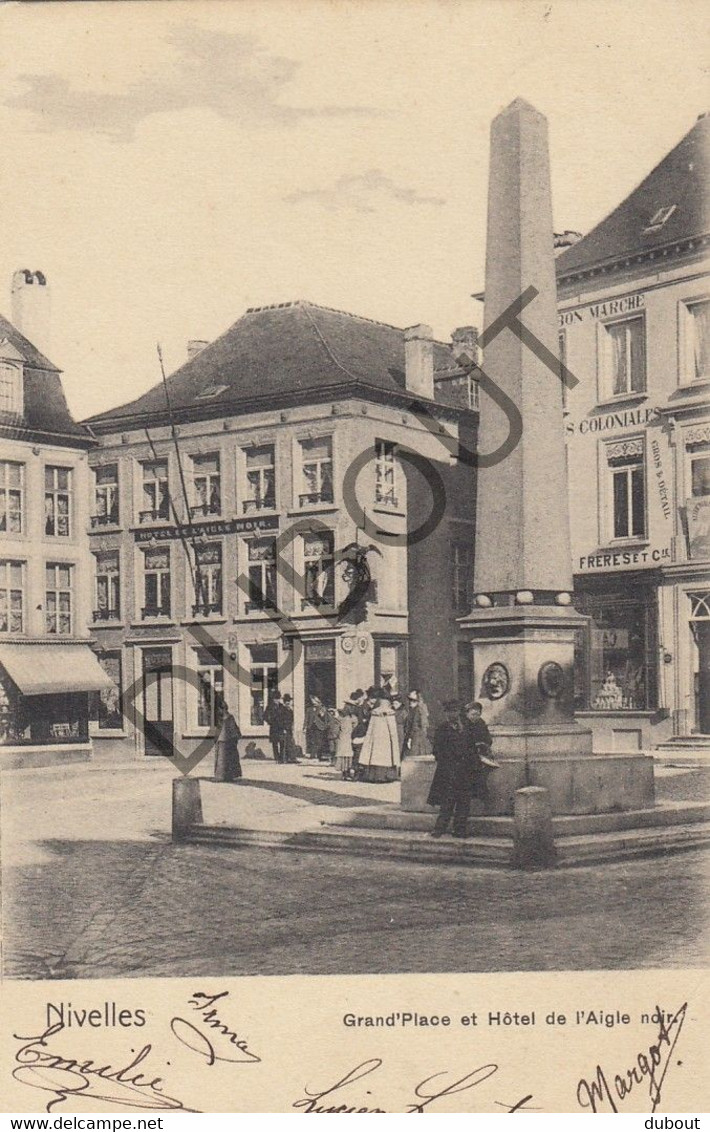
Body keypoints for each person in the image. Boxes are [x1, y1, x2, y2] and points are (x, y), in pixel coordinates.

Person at [427, 700, 477, 837]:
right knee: (447, 801)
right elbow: (436, 750)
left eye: (454, 711)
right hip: (448, 771)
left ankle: (460, 829)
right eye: (449, 712)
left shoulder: (467, 727)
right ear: (446, 713)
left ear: (459, 712)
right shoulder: (442, 729)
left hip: (464, 771)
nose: (452, 714)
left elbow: (472, 748)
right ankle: (439, 829)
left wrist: (471, 764)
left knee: (463, 802)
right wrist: (448, 760)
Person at [358, 689, 400, 783]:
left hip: (375, 739)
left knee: (375, 756)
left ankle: (373, 776)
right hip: (386, 741)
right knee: (385, 758)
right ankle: (386, 776)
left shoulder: (374, 713)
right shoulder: (390, 713)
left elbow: (370, 729)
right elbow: (393, 732)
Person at [214, 702, 242, 783]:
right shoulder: (220, 718)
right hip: (221, 741)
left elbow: (233, 729)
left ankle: (231, 776)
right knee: (221, 759)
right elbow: (218, 729)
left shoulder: (230, 718)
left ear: (224, 709)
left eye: (219, 709)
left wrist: (233, 740)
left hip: (229, 741)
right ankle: (221, 776)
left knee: (230, 759)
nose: (218, 711)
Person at [403, 689, 431, 758]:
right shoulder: (414, 710)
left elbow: (415, 725)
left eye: (413, 701)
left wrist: (410, 738)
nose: (410, 702)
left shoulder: (418, 710)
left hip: (416, 737)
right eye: (409, 700)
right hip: (418, 736)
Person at [334, 700, 357, 778]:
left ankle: (346, 773)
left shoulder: (344, 717)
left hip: (345, 738)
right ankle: (346, 773)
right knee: (346, 756)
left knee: (346, 755)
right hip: (346, 738)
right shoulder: (350, 717)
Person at [264, 690, 287, 763]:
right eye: (275, 699)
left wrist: (285, 727)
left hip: (281, 727)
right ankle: (276, 758)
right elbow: (265, 716)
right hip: (274, 727)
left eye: (278, 698)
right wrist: (270, 722)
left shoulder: (282, 707)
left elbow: (285, 718)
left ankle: (282, 758)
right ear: (273, 699)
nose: (276, 700)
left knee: (282, 743)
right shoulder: (269, 707)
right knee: (275, 743)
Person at [305, 694, 329, 760]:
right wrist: (305, 727)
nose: (314, 702)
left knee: (319, 742)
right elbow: (306, 718)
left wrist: (325, 725)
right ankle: (312, 755)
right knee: (312, 741)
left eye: (315, 700)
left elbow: (326, 718)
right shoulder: (309, 709)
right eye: (313, 700)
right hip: (311, 727)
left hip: (320, 727)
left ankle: (319, 755)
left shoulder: (322, 708)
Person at [281, 693, 298, 763]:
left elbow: (292, 720)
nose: (288, 703)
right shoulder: (282, 710)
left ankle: (292, 758)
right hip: (284, 729)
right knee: (284, 744)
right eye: (286, 701)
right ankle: (284, 759)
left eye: (289, 701)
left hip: (289, 729)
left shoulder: (290, 711)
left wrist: (292, 727)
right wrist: (283, 729)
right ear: (284, 702)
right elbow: (281, 720)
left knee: (291, 743)